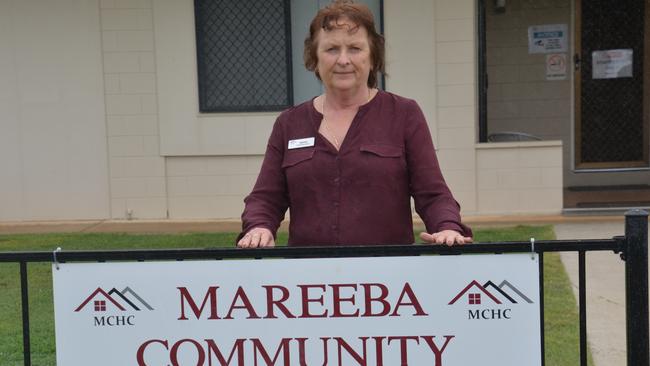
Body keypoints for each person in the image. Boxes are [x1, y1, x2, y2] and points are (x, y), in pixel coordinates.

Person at [237, 0, 472, 248]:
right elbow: (265, 197)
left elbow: (433, 194)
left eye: (355, 48)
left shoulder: (404, 114)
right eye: (331, 49)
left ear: (372, 56)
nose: (343, 60)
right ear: (315, 57)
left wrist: (447, 227)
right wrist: (258, 226)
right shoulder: (289, 123)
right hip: (308, 278)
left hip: (388, 277)